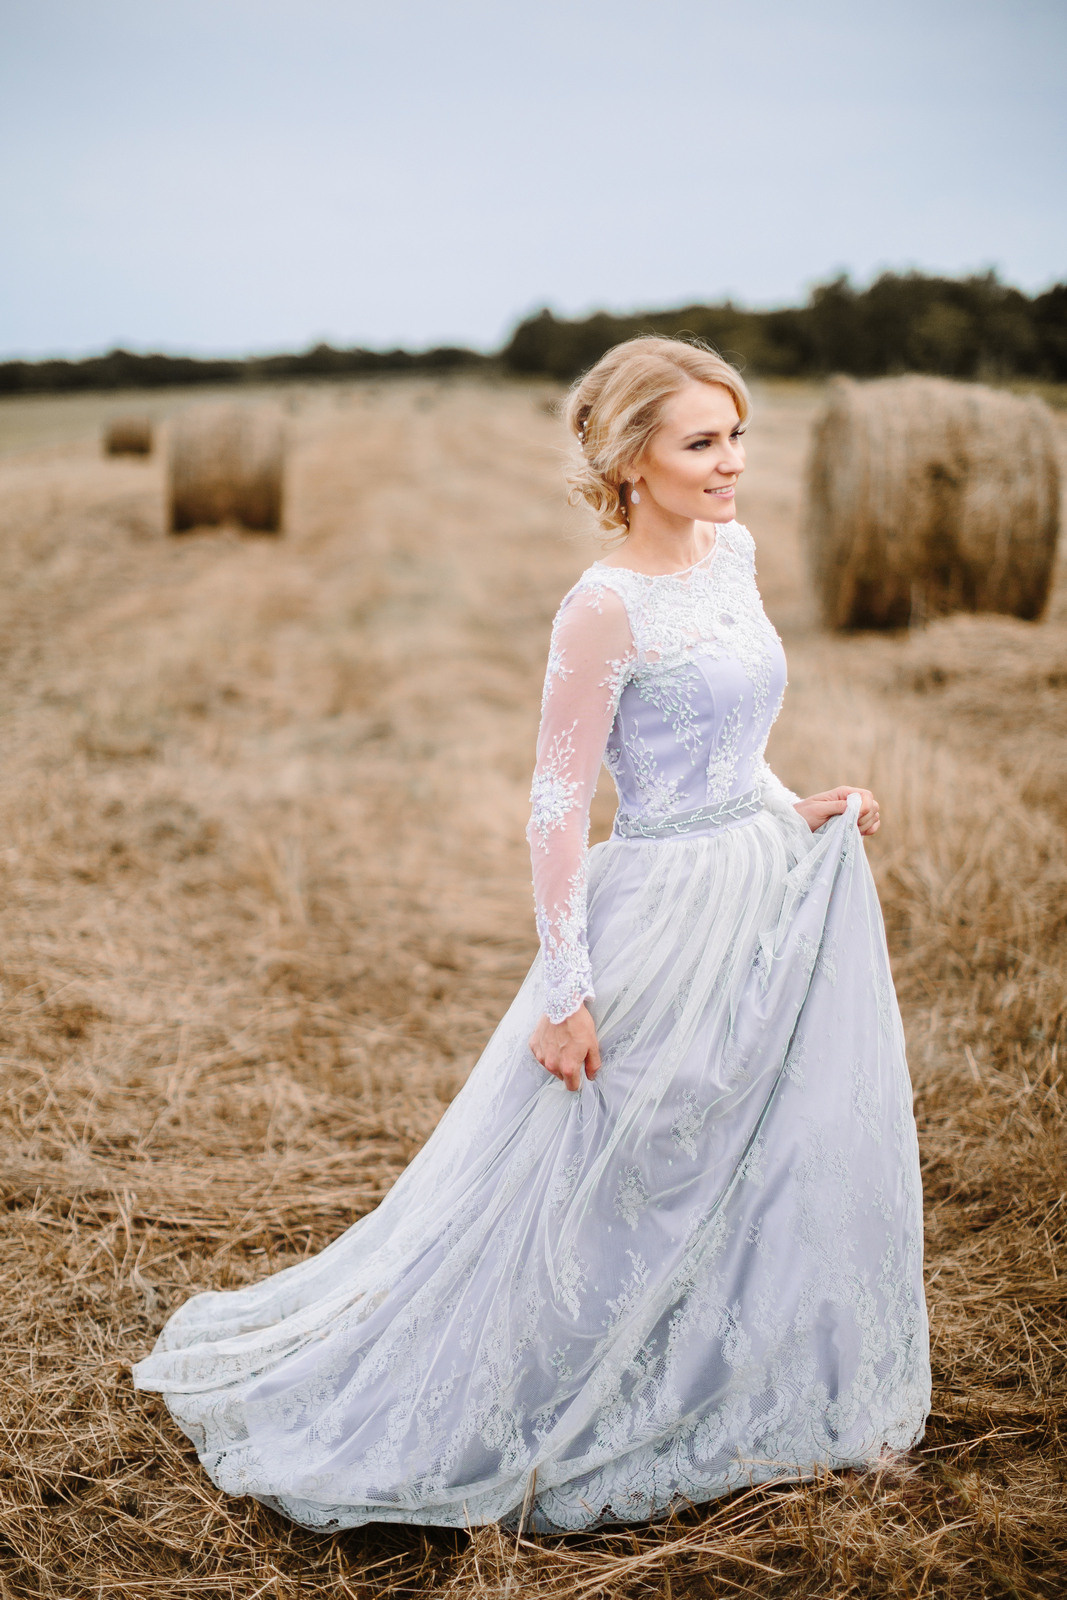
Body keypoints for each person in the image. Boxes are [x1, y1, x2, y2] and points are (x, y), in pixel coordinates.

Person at [133, 336, 930, 1534]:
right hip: (659, 904)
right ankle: (544, 1394)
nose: (733, 463)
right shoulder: (600, 605)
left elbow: (735, 732)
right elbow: (558, 805)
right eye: (701, 442)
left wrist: (792, 804)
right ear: (629, 460)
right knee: (625, 1173)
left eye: (737, 434)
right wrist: (566, 987)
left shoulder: (735, 553)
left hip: (757, 874)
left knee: (762, 1148)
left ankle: (743, 1373)